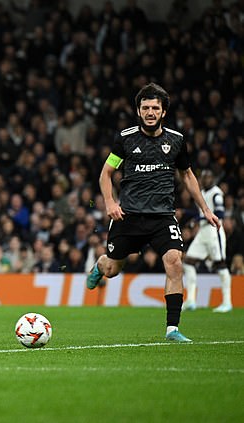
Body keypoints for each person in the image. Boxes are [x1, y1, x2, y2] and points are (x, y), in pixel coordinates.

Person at [86, 83, 220, 343]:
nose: (150, 112)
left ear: (163, 112)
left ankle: (172, 329)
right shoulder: (125, 139)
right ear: (138, 110)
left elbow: (188, 175)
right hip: (129, 216)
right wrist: (110, 203)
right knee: (113, 270)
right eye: (145, 107)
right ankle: (101, 264)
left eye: (155, 108)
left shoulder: (176, 140)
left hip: (162, 216)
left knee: (174, 262)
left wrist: (205, 209)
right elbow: (106, 173)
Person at [182, 169, 232, 312]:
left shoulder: (216, 193)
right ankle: (191, 300)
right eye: (204, 177)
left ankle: (227, 302)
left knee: (220, 264)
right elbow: (199, 212)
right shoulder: (202, 193)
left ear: (213, 178)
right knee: (188, 262)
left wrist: (197, 220)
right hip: (203, 232)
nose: (207, 179)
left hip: (214, 231)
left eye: (209, 176)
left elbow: (220, 213)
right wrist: (187, 214)